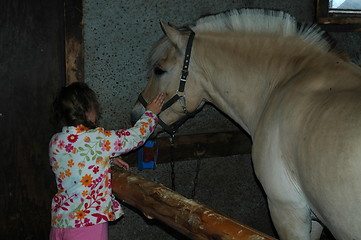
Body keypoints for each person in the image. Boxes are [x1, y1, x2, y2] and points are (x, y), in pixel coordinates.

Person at [49, 82, 164, 239]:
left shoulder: (56, 141)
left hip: (60, 223)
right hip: (87, 224)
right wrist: (150, 114)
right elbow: (134, 137)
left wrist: (107, 159)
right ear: (88, 110)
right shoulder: (98, 138)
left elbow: (75, 163)